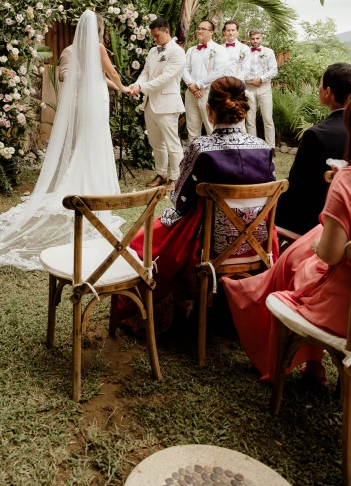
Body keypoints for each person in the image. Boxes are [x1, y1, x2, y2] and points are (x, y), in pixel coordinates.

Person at [119, 77, 277, 331]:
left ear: (209, 110)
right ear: (243, 108)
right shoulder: (263, 148)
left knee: (141, 242)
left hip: (205, 247)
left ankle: (176, 304)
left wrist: (172, 216)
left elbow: (180, 199)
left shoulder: (200, 148)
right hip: (258, 244)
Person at [0, 10, 129, 269]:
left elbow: (103, 77)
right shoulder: (83, 50)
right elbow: (103, 74)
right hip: (89, 100)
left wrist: (112, 85)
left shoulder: (84, 50)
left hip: (96, 97)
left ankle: (94, 182)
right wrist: (122, 85)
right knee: (87, 140)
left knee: (96, 139)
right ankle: (83, 182)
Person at [224, 98, 351, 384]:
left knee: (299, 263)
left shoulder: (345, 179)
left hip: (342, 311)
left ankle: (255, 304)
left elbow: (330, 254)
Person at [274, 63, 351, 235]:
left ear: (328, 92)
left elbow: (296, 185)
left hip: (317, 221)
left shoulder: (316, 135)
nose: (318, 88)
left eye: (320, 84)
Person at [127, 17, 185, 189]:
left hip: (167, 104)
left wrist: (141, 88)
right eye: (153, 36)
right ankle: (161, 174)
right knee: (156, 143)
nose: (154, 39)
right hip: (150, 103)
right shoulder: (153, 51)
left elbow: (166, 78)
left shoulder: (177, 52)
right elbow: (145, 72)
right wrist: (137, 84)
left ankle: (177, 178)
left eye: (157, 35)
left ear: (166, 31)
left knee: (172, 143)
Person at [182, 19, 226, 142]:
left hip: (209, 94)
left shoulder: (218, 49)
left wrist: (198, 85)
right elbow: (184, 69)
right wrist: (191, 86)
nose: (199, 31)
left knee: (211, 128)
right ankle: (194, 159)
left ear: (211, 32)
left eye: (203, 29)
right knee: (192, 130)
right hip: (191, 93)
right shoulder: (191, 50)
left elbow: (218, 72)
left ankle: (215, 159)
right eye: (199, 28)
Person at [245, 29, 278, 148]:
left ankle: (271, 146)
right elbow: (242, 70)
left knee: (268, 118)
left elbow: (274, 70)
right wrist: (251, 80)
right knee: (250, 119)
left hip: (264, 88)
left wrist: (261, 79)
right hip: (249, 88)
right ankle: (252, 146)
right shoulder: (245, 52)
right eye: (253, 39)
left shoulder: (268, 52)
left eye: (257, 38)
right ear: (249, 39)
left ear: (261, 38)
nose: (255, 41)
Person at [221, 19, 252, 131]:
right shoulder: (219, 49)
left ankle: (240, 145)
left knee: (238, 116)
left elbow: (246, 69)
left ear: (237, 31)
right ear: (224, 32)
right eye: (228, 30)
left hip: (237, 87)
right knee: (223, 116)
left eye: (233, 30)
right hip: (222, 87)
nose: (230, 33)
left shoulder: (244, 49)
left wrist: (233, 84)